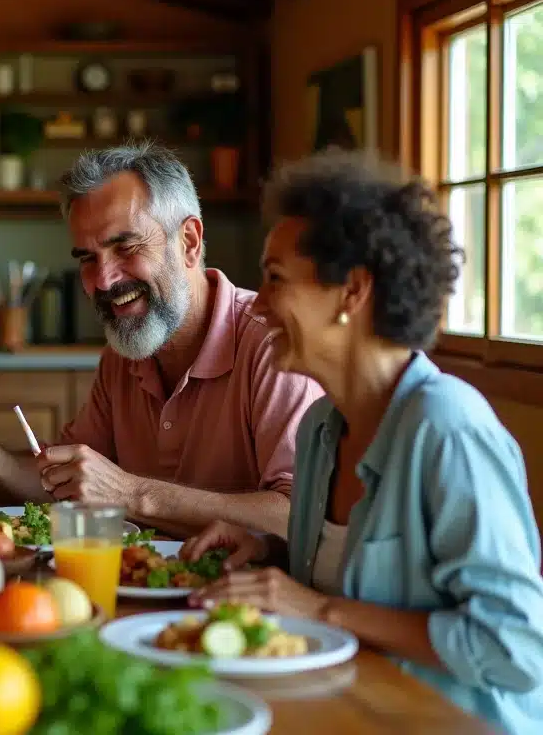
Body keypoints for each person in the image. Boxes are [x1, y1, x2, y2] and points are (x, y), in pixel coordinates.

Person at [185, 151, 543, 734]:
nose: (258, 304)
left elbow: (516, 647)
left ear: (351, 291)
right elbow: (350, 576)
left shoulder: (448, 430)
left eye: (276, 279)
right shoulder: (322, 427)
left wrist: (319, 610)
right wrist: (267, 552)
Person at [0, 142, 322, 537]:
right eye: (86, 258)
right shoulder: (125, 354)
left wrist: (133, 494)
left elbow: (302, 517)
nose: (103, 279)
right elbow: (61, 482)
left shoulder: (273, 346)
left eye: (126, 247)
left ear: (188, 241)